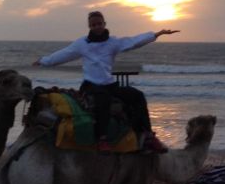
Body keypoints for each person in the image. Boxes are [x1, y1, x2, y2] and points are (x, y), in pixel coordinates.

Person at [32, 10, 178, 153]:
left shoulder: (112, 42)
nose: (97, 27)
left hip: (109, 84)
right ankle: (102, 138)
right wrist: (44, 61)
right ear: (89, 27)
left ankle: (148, 136)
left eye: (99, 24)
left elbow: (133, 42)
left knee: (137, 95)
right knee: (103, 99)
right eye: (93, 25)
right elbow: (64, 54)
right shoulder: (82, 43)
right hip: (91, 85)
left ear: (104, 24)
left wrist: (155, 34)